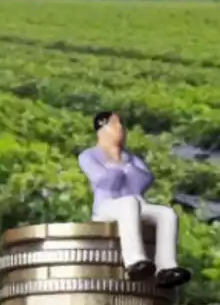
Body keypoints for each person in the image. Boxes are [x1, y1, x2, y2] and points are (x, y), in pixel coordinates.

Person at [77, 111, 190, 288]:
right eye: (115, 125)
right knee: (129, 203)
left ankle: (166, 266)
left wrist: (122, 167)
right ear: (102, 129)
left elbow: (145, 179)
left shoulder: (130, 158)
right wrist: (120, 169)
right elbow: (103, 181)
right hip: (107, 206)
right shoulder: (89, 155)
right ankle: (134, 260)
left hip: (137, 204)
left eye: (121, 124)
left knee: (166, 214)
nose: (120, 129)